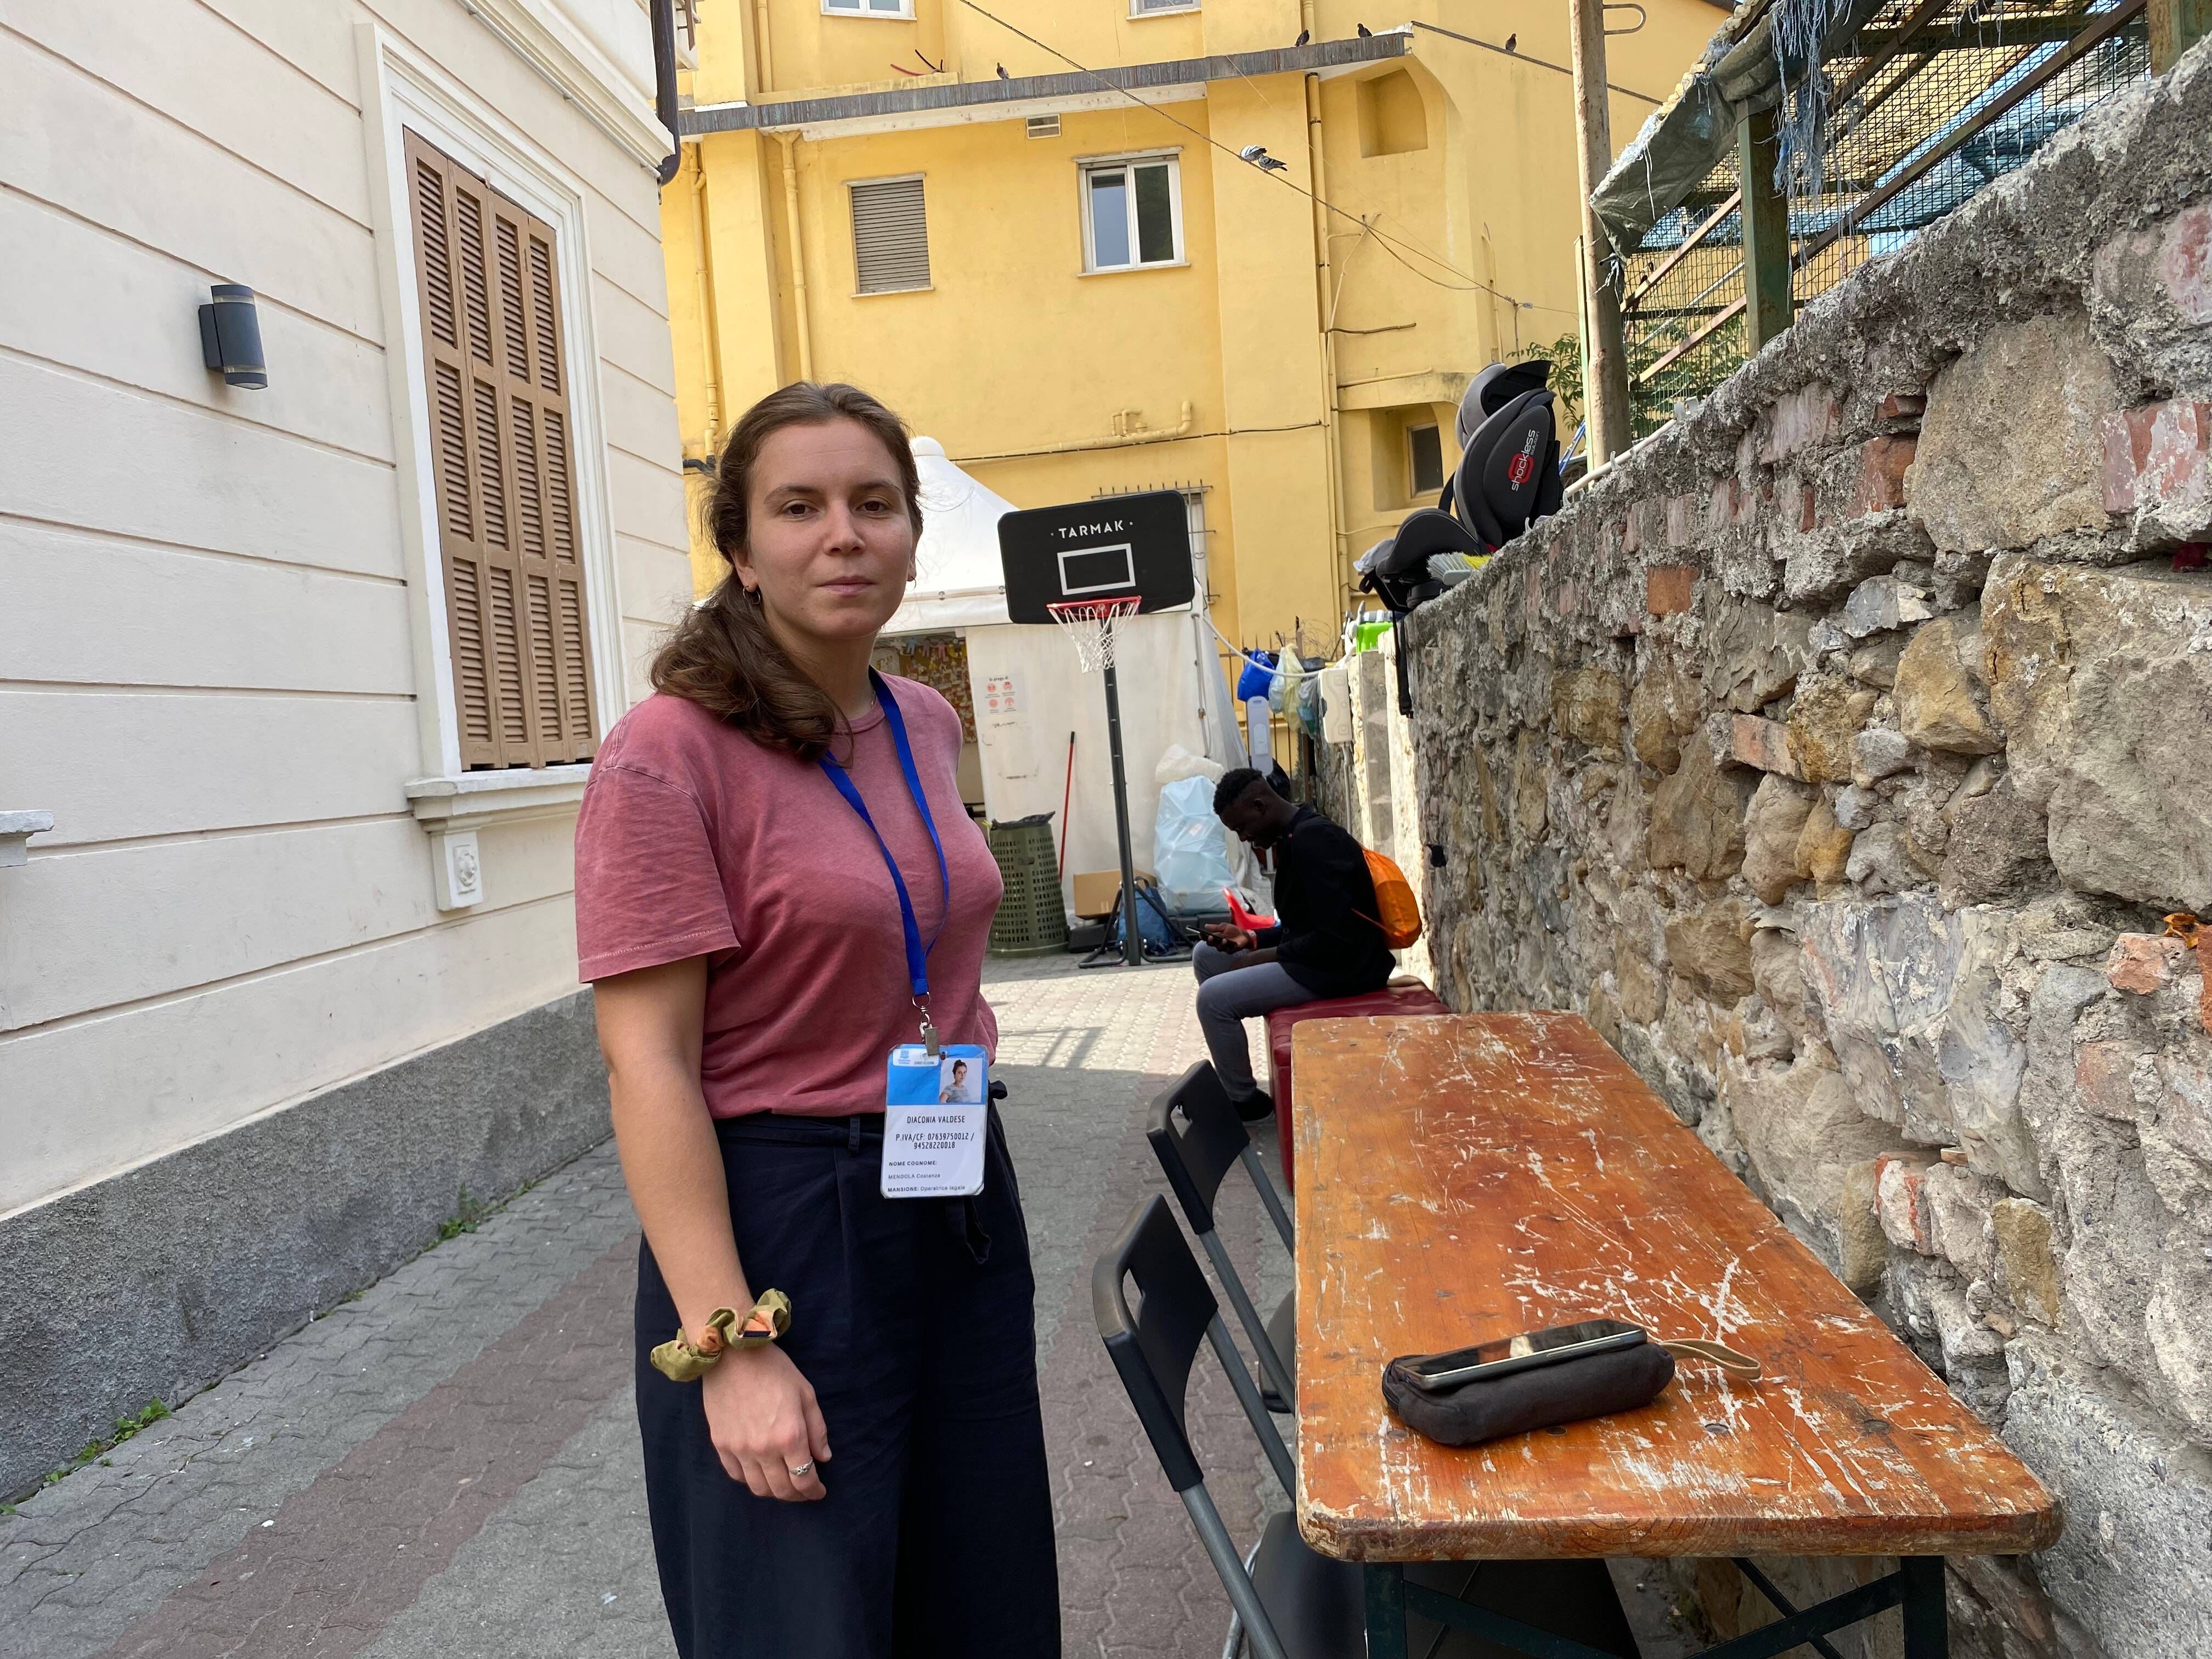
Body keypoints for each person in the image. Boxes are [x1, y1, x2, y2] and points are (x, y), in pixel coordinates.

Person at [574, 382, 1058, 1659]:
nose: (843, 534)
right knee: (803, 1620)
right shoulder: (664, 758)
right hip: (781, 1221)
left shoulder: (922, 718)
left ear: (909, 533)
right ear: (741, 548)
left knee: (982, 1595)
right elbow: (648, 1064)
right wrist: (727, 1346)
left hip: (952, 1196)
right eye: (799, 507)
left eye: (874, 504)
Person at [1194, 767, 1396, 1120]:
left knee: (1213, 1000)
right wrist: (1252, 938)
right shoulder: (1293, 834)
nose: (1244, 839)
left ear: (1260, 807)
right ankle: (1239, 1080)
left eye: (1242, 828)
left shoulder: (1313, 841)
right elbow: (1304, 925)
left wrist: (1262, 957)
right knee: (1207, 956)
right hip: (1320, 960)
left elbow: (1336, 939)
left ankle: (1243, 1101)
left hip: (1343, 971)